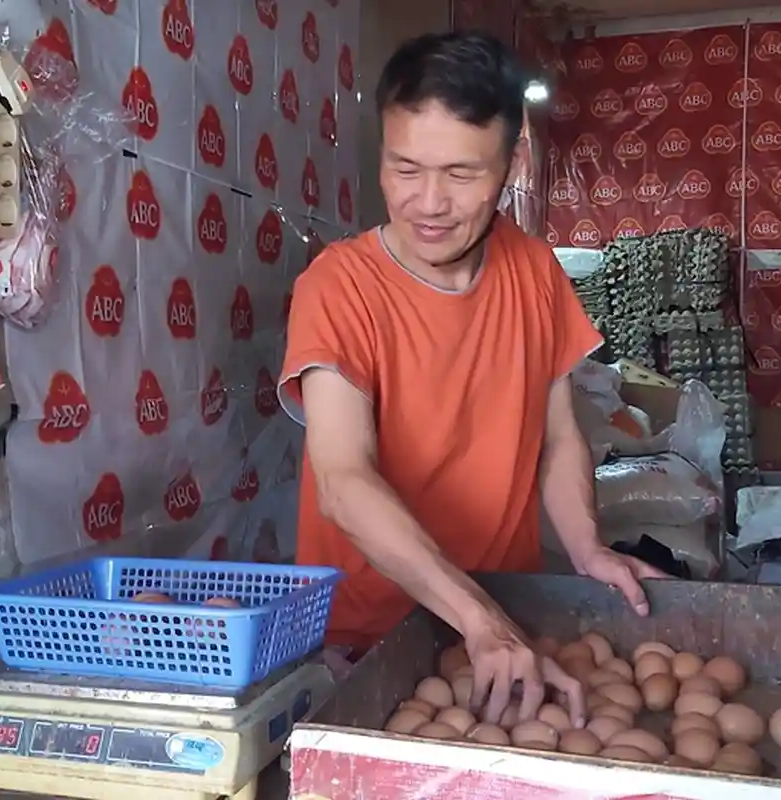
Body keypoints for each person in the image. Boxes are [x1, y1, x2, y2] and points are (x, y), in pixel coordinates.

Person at [276, 32, 665, 730]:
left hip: (501, 615)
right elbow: (342, 479)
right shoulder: (339, 287)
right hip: (369, 639)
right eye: (405, 168)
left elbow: (557, 436)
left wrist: (587, 549)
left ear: (512, 164)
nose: (429, 203)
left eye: (460, 174)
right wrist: (480, 618)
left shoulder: (534, 271)